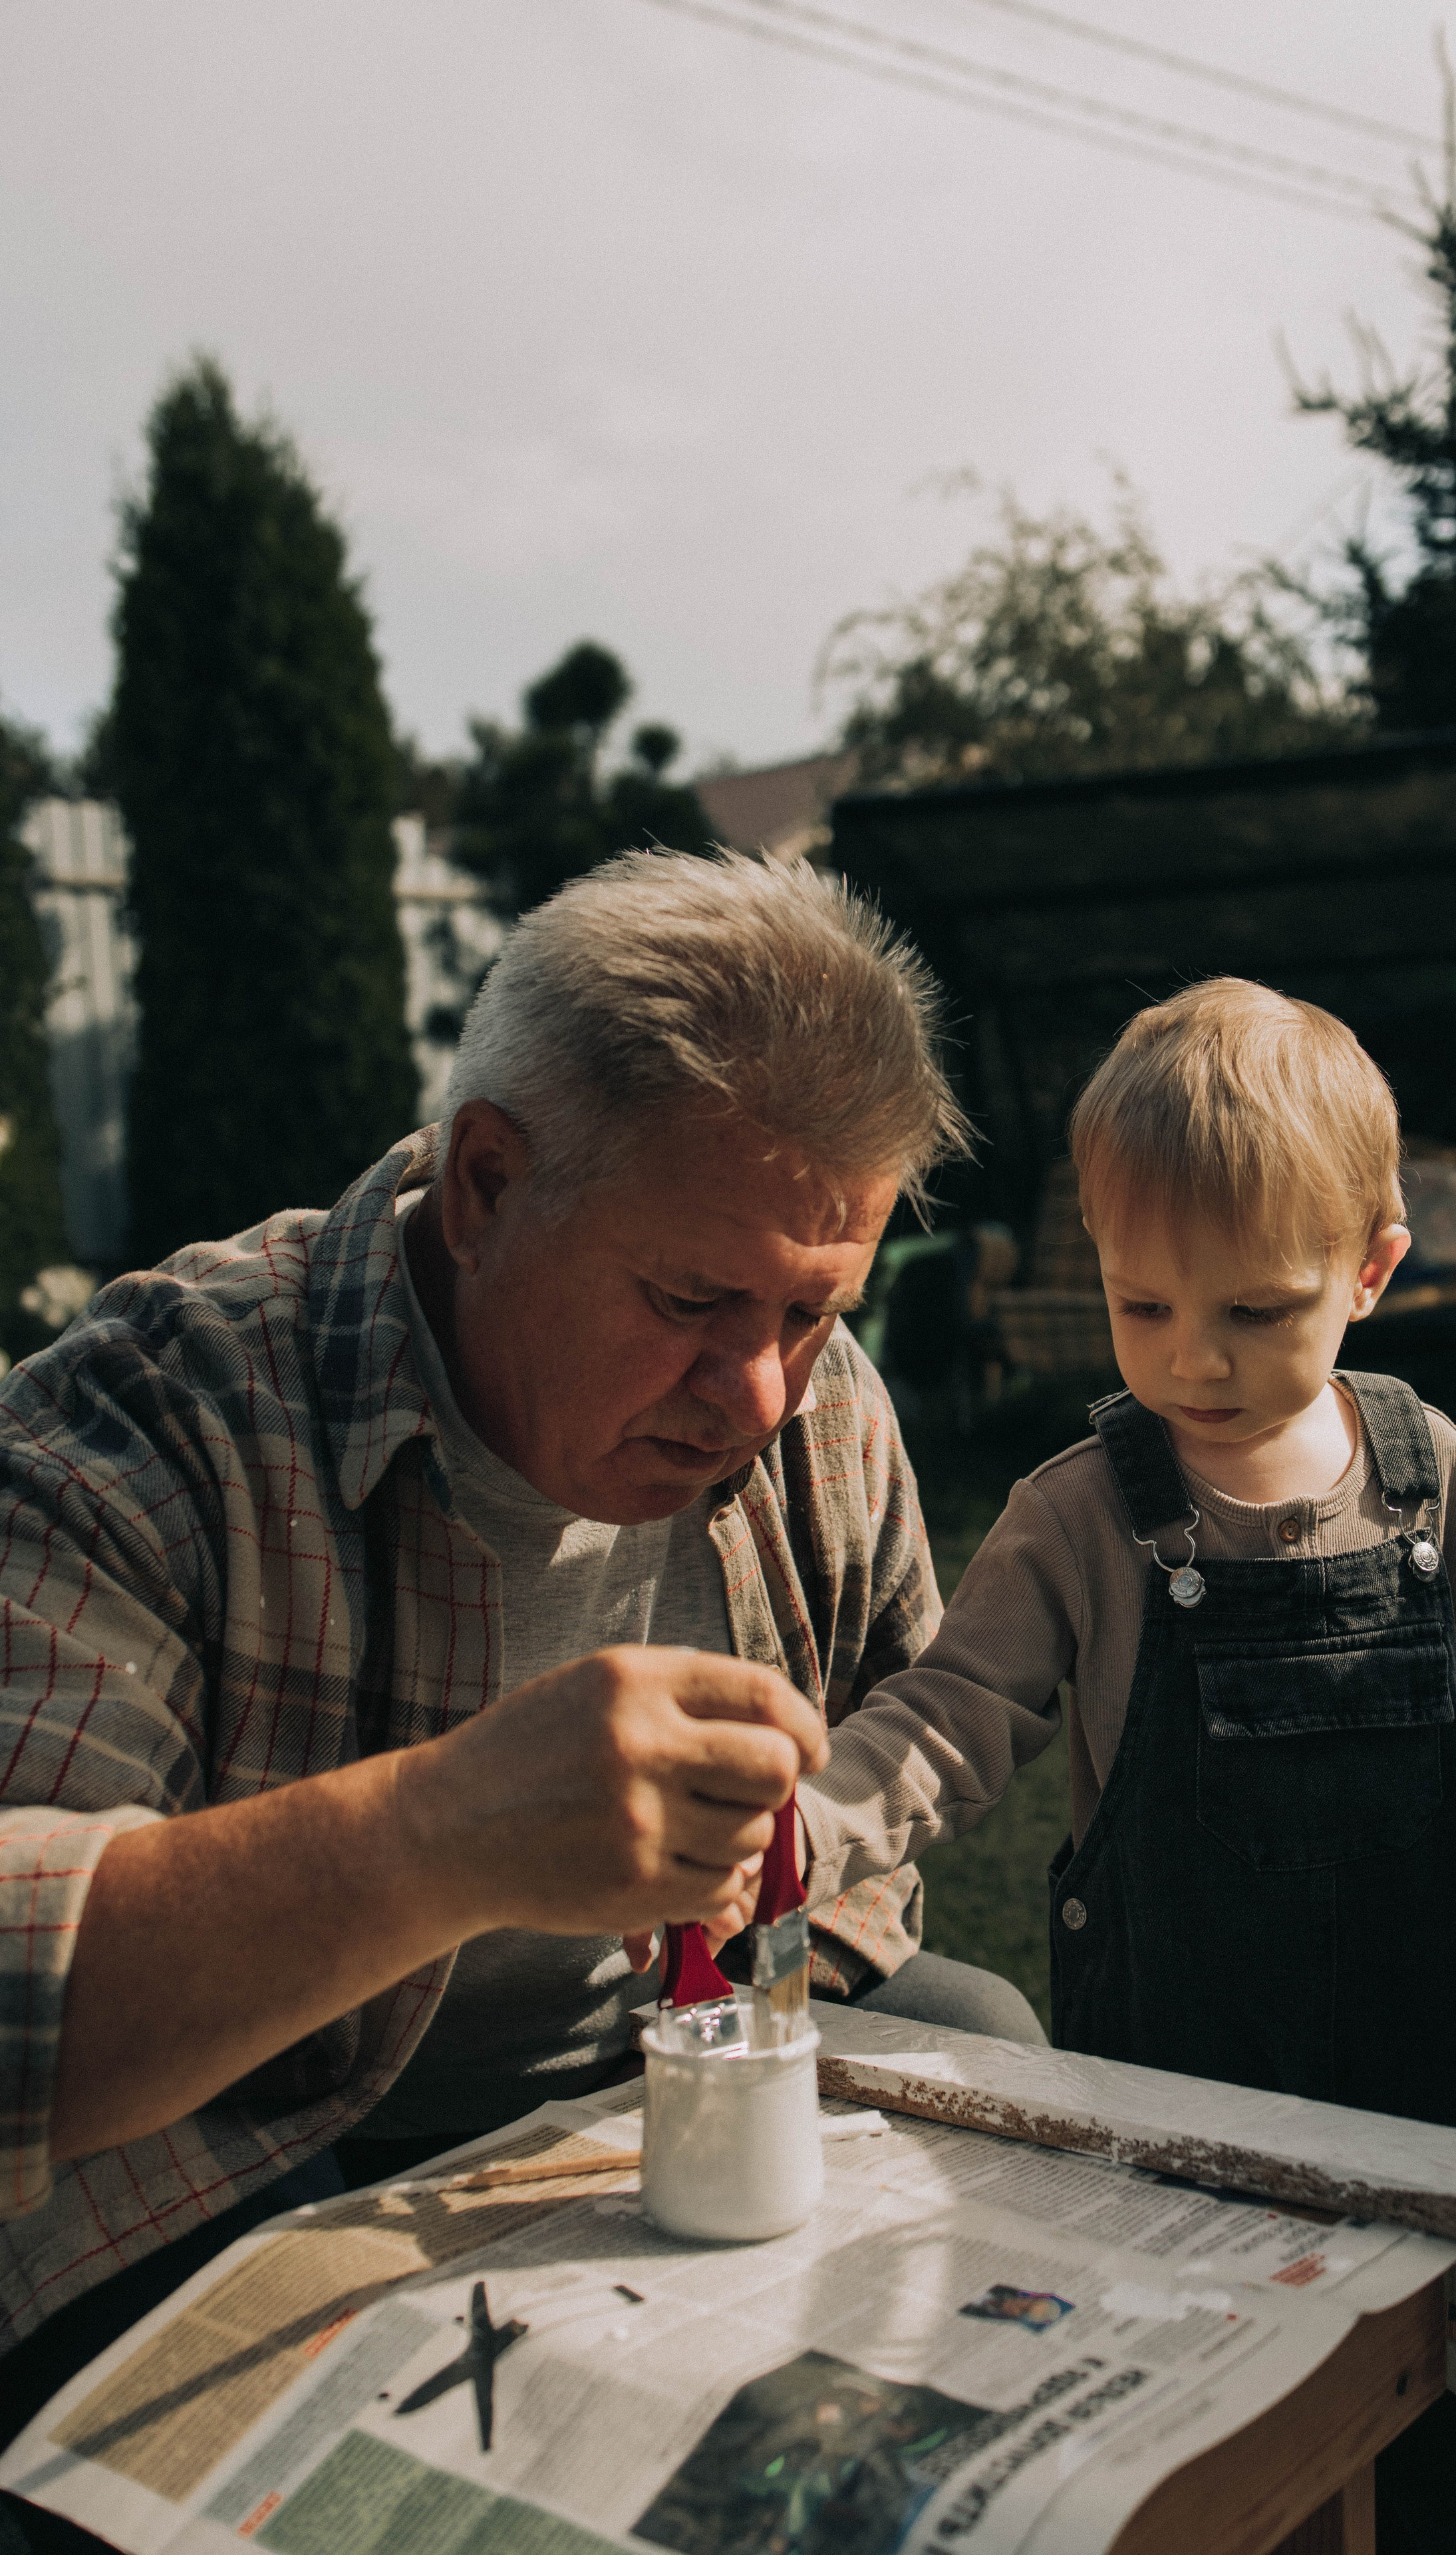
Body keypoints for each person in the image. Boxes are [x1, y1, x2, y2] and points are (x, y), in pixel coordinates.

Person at [0, 851, 1044, 2506]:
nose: (761, 1393)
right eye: (691, 1299)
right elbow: (20, 2016)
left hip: (665, 2066)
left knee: (978, 2036)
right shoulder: (149, 1420)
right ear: (483, 1185)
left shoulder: (818, 1400)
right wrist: (439, 1835)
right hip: (261, 2143)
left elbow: (868, 1776)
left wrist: (765, 1953)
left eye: (811, 1310)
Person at [797, 977, 1456, 2555]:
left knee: (1444, 2478)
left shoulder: (1430, 1476)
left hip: (1436, 2090)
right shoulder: (1077, 1512)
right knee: (1224, 2475)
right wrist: (815, 1827)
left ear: (1371, 1271)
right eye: (1141, 1306)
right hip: (1181, 2097)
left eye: (1253, 1312)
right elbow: (951, 1715)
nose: (1192, 1361)